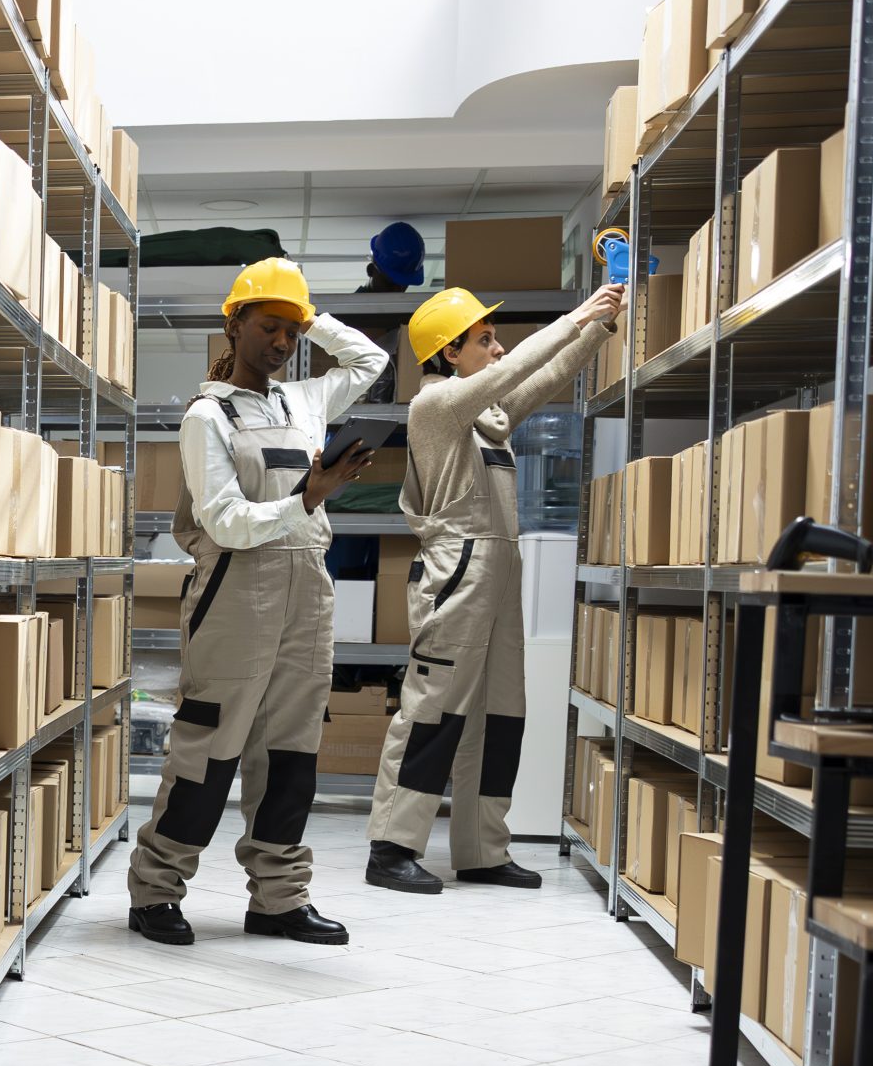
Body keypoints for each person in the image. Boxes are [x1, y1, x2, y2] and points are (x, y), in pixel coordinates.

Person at [129, 259, 387, 947]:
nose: (282, 343)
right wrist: (307, 496)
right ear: (234, 323)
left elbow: (372, 359)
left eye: (292, 333)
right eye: (270, 326)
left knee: (292, 755)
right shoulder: (205, 416)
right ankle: (156, 891)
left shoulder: (303, 400)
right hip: (235, 595)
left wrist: (313, 316)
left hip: (307, 594)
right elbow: (223, 521)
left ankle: (278, 898)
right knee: (208, 752)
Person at [365, 280, 626, 894]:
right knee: (432, 714)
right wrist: (575, 314)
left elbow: (548, 372)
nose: (499, 347)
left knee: (501, 714)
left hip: (501, 572)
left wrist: (599, 325)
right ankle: (392, 846)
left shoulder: (489, 421)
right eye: (485, 340)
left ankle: (482, 849)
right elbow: (525, 363)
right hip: (458, 573)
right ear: (449, 353)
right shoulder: (436, 406)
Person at [363, 221, 426, 293]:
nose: (398, 291)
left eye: (404, 285)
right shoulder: (349, 304)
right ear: (370, 270)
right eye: (390, 284)